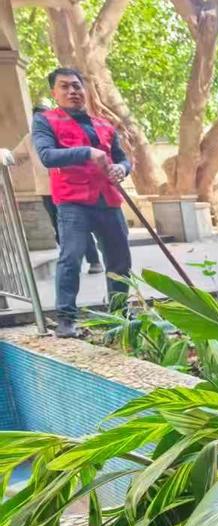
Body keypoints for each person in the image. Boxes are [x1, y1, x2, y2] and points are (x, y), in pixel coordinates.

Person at [31, 68, 131, 338]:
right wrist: (87, 152)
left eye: (77, 86)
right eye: (64, 87)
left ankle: (119, 315)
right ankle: (66, 319)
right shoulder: (45, 121)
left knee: (120, 260)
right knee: (71, 258)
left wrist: (123, 168)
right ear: (54, 93)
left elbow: (123, 158)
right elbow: (47, 156)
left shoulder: (104, 125)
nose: (72, 91)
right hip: (73, 201)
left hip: (108, 198)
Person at [34, 102, 103, 276]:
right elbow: (17, 155)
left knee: (80, 225)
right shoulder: (31, 138)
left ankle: (93, 259)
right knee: (60, 228)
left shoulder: (63, 130)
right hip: (46, 189)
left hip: (69, 188)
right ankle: (71, 260)